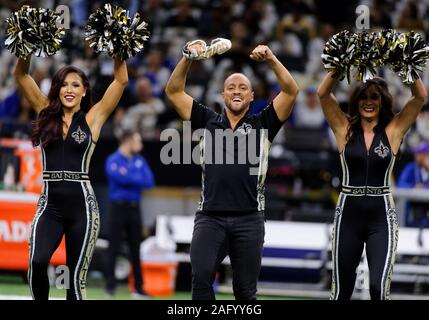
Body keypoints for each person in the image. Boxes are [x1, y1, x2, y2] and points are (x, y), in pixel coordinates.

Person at [165, 40, 299, 300]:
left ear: (252, 96)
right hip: (210, 218)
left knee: (245, 293)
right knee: (201, 280)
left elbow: (291, 91)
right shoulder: (206, 120)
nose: (236, 91)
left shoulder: (264, 124)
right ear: (222, 95)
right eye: (230, 87)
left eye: (243, 88)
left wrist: (271, 58)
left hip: (250, 220)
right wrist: (188, 58)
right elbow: (173, 91)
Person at [14, 53, 128, 299]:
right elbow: (21, 75)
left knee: (74, 281)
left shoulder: (93, 119)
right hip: (50, 207)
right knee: (37, 262)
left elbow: (120, 81)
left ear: (84, 91)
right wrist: (25, 45)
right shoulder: (44, 112)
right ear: (57, 89)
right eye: (64, 84)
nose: (69, 89)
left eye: (75, 85)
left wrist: (119, 49)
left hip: (83, 210)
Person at [317, 71, 427, 299]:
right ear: (356, 100)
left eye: (374, 97)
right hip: (348, 215)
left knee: (378, 288)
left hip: (381, 218)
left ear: (382, 100)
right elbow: (323, 93)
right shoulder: (343, 129)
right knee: (340, 292)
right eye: (363, 96)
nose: (368, 102)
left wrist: (408, 66)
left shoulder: (393, 130)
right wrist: (339, 65)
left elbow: (419, 97)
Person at [104, 130, 155, 298]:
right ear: (128, 141)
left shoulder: (140, 160)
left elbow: (148, 182)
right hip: (117, 208)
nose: (141, 145)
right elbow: (117, 178)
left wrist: (128, 176)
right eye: (138, 141)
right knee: (114, 247)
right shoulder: (112, 159)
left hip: (134, 208)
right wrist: (134, 178)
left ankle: (139, 288)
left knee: (136, 248)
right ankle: (110, 287)